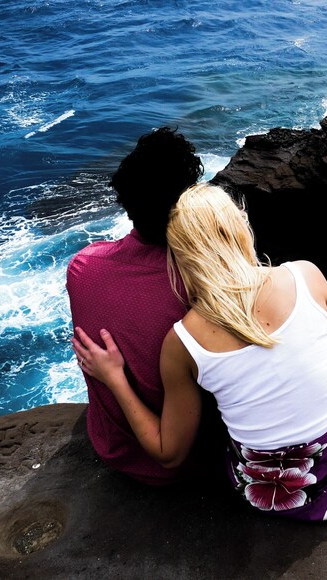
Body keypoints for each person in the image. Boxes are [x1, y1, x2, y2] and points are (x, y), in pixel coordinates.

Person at [72, 183, 327, 520]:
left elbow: (169, 454)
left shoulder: (181, 340)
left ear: (181, 256)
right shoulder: (305, 274)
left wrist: (115, 378)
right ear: (241, 228)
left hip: (267, 494)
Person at [66, 127, 212, 485]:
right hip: (199, 462)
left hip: (115, 450)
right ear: (187, 204)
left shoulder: (82, 267)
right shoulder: (205, 285)